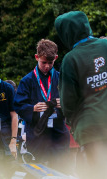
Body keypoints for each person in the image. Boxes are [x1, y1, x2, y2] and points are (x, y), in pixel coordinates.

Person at [56, 11, 107, 179]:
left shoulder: (71, 59)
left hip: (93, 131)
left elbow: (68, 102)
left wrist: (74, 124)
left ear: (66, 33)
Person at [13, 40, 70, 171]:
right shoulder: (27, 80)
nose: (47, 66)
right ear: (36, 57)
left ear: (56, 58)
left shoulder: (61, 78)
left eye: (50, 63)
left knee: (62, 169)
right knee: (38, 169)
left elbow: (73, 101)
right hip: (37, 134)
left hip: (58, 133)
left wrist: (65, 104)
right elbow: (18, 105)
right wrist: (32, 108)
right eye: (43, 62)